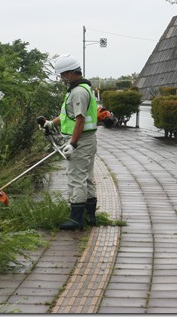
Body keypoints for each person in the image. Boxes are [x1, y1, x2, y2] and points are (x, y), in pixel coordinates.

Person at [41, 54, 99, 230]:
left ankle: (76, 219)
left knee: (77, 179)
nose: (61, 79)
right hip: (86, 140)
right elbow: (68, 115)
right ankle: (91, 216)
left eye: (62, 75)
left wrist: (72, 143)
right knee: (86, 178)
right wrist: (51, 123)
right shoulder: (79, 89)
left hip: (81, 141)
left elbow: (80, 120)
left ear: (70, 73)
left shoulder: (78, 92)